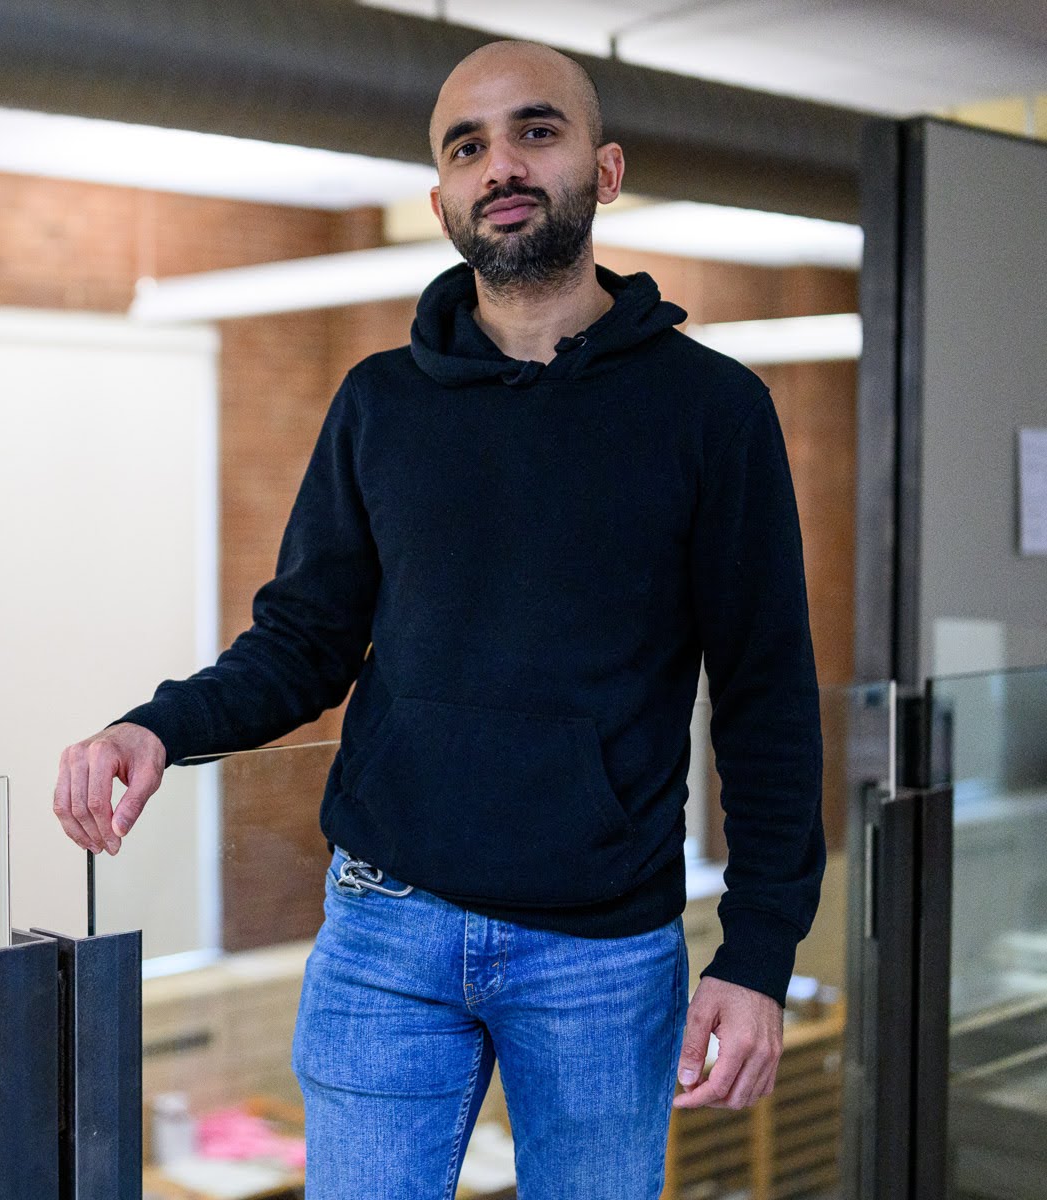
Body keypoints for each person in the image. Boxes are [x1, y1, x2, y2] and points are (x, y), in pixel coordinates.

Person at [51, 36, 824, 1198]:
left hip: (603, 953)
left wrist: (758, 952)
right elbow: (305, 639)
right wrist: (156, 727)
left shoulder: (711, 412)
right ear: (442, 197)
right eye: (468, 147)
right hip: (385, 931)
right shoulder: (380, 404)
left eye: (536, 131)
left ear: (604, 171)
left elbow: (766, 695)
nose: (500, 164)